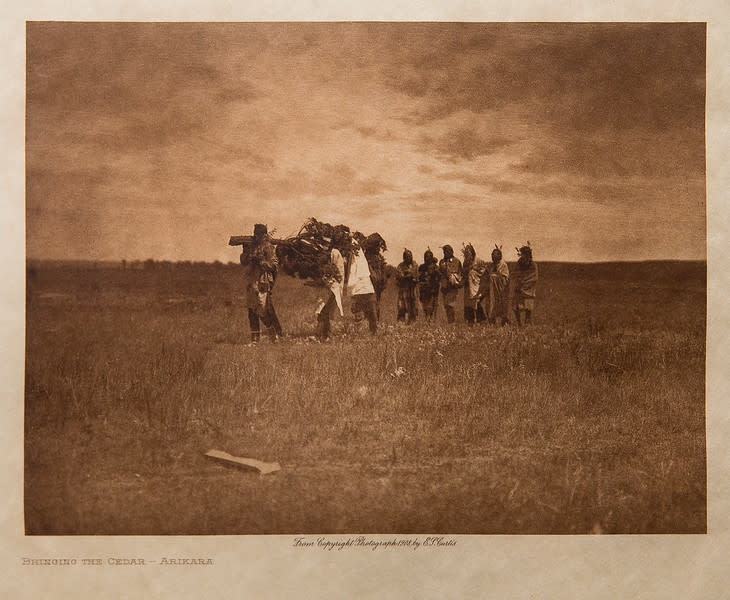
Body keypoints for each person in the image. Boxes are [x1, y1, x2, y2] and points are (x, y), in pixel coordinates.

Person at [241, 223, 283, 343]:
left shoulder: (268, 247)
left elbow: (274, 265)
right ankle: (255, 339)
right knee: (251, 309)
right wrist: (247, 255)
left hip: (263, 281)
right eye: (255, 233)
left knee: (262, 309)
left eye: (259, 234)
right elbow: (243, 261)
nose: (257, 236)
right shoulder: (251, 246)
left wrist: (262, 262)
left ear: (264, 235)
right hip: (251, 280)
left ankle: (273, 333)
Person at [315, 238, 347, 341]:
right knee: (325, 312)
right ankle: (326, 335)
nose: (325, 245)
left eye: (326, 243)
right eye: (323, 243)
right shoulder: (323, 254)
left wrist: (329, 280)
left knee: (323, 312)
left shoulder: (334, 253)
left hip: (334, 288)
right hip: (327, 287)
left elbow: (339, 273)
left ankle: (318, 336)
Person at [347, 240, 378, 335]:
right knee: (358, 312)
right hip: (357, 288)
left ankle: (373, 331)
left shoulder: (363, 258)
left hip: (366, 287)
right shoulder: (351, 258)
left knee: (372, 311)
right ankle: (360, 332)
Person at [478, 245, 510, 326]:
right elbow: (485, 275)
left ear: (500, 256)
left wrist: (493, 277)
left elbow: (505, 278)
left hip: (500, 291)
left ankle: (504, 322)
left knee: (501, 306)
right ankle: (491, 322)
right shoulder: (490, 266)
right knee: (490, 305)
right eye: (492, 254)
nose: (493, 256)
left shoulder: (503, 265)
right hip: (491, 291)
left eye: (495, 255)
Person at [512, 243, 538, 326]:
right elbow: (515, 273)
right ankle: (519, 323)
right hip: (519, 288)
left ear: (528, 255)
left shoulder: (533, 265)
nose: (522, 256)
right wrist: (518, 282)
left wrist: (524, 284)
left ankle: (527, 322)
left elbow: (534, 277)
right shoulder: (519, 263)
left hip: (528, 290)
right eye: (521, 254)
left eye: (524, 254)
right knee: (516, 307)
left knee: (528, 308)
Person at [462, 243, 488, 325]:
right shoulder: (465, 262)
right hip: (468, 285)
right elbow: (464, 273)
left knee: (476, 302)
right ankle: (471, 321)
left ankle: (481, 320)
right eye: (466, 253)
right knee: (468, 303)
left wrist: (475, 272)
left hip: (477, 285)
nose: (467, 254)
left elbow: (484, 271)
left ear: (472, 252)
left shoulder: (479, 261)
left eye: (469, 252)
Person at [439, 244, 463, 324]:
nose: (445, 253)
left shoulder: (456, 261)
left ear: (451, 252)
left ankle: (452, 321)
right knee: (446, 305)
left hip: (452, 286)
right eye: (444, 251)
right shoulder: (442, 262)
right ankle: (450, 321)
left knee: (450, 304)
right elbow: (441, 273)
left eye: (447, 251)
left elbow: (458, 273)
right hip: (444, 286)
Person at [395, 248, 419, 323]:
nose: (409, 258)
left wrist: (409, 274)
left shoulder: (414, 264)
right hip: (403, 289)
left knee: (413, 307)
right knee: (402, 307)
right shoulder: (400, 265)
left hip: (412, 289)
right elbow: (399, 275)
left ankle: (412, 323)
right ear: (404, 257)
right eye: (407, 256)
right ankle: (401, 323)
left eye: (410, 256)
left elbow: (415, 274)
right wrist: (406, 275)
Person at [417, 249, 440, 320]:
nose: (427, 258)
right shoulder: (422, 267)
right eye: (425, 257)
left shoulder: (435, 267)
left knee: (432, 305)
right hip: (424, 289)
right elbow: (419, 277)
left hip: (433, 289)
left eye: (428, 257)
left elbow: (438, 277)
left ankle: (431, 319)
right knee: (425, 305)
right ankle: (427, 318)